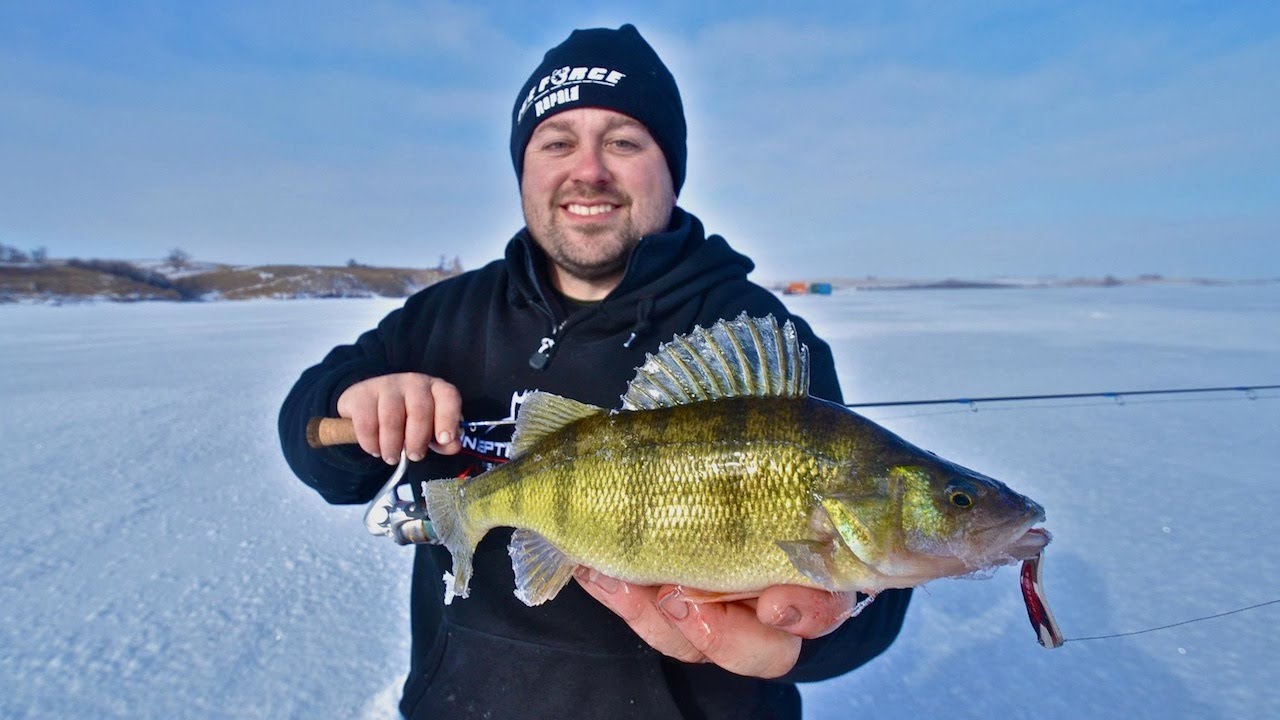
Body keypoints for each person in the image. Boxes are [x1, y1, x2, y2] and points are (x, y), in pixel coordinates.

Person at [279, 24, 910, 719]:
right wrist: (352, 397)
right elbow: (312, 447)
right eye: (557, 142)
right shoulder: (440, 318)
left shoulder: (756, 335)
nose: (590, 171)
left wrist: (803, 643)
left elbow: (875, 598)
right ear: (524, 168)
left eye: (624, 141)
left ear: (670, 167)